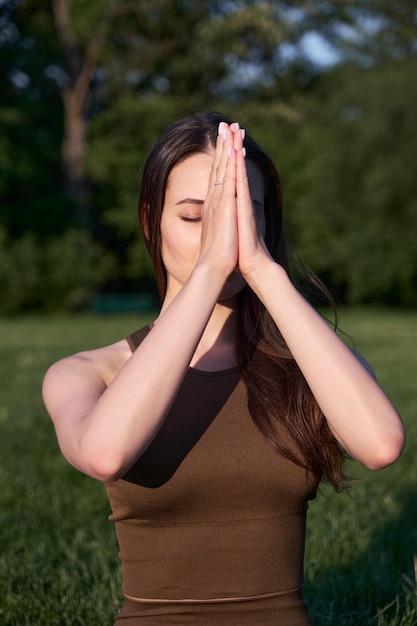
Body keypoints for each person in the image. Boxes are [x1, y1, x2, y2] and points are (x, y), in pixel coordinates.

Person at [42, 111, 405, 625]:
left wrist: (260, 267)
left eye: (241, 216)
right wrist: (210, 269)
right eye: (195, 217)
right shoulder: (88, 372)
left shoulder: (306, 362)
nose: (222, 237)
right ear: (152, 222)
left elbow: (380, 444)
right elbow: (105, 453)